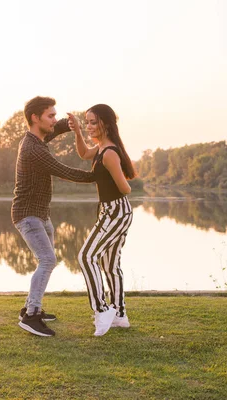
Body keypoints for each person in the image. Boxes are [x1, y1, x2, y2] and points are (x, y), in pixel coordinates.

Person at [12, 96, 95, 337]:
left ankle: (31, 307)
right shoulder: (32, 148)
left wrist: (65, 125)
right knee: (47, 260)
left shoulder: (35, 139)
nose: (54, 119)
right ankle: (31, 315)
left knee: (48, 261)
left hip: (40, 214)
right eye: (50, 115)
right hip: (28, 216)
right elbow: (64, 171)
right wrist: (97, 175)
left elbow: (51, 132)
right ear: (35, 118)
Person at [67, 104, 136, 336]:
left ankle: (102, 309)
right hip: (112, 211)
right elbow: (83, 153)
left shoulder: (109, 154)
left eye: (92, 122)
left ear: (106, 123)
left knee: (86, 256)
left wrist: (109, 179)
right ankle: (120, 315)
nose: (88, 126)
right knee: (109, 265)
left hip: (116, 212)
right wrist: (77, 132)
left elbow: (125, 188)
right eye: (86, 122)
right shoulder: (99, 149)